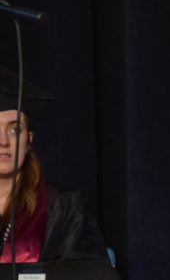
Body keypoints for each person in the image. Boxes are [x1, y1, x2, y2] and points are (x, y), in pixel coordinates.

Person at [0, 66, 108, 263]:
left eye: (15, 129)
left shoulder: (61, 207)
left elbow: (87, 272)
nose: (4, 141)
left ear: (28, 141)